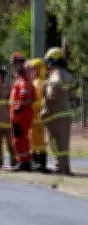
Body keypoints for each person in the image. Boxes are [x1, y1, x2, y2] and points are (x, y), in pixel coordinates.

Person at [41, 47, 73, 175]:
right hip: (64, 114)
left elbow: (52, 93)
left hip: (54, 116)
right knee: (64, 145)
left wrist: (45, 89)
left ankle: (60, 168)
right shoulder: (66, 74)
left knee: (54, 143)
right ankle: (65, 168)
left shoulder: (55, 75)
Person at [9, 52, 34, 171]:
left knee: (20, 138)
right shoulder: (18, 79)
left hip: (21, 113)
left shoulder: (24, 79)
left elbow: (24, 95)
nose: (16, 66)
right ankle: (23, 161)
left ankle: (24, 162)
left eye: (18, 64)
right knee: (18, 138)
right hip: (17, 113)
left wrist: (18, 107)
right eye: (14, 64)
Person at [26, 58, 51, 173]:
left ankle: (40, 164)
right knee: (33, 141)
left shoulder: (40, 83)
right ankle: (37, 163)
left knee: (39, 141)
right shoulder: (36, 82)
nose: (31, 71)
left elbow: (42, 101)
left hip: (38, 118)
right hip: (33, 118)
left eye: (34, 69)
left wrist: (31, 103)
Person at [0, 67, 16, 169]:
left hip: (9, 122)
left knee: (12, 145)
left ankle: (15, 163)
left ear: (1, 76)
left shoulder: (9, 87)